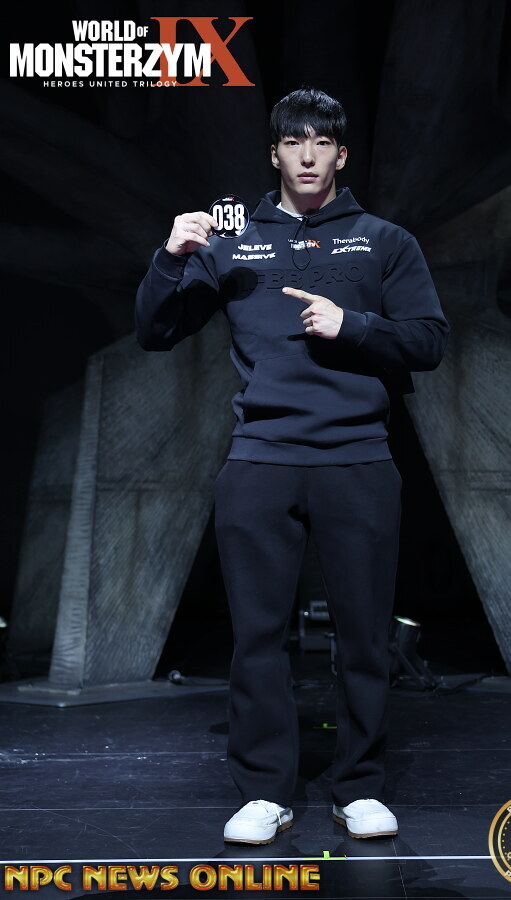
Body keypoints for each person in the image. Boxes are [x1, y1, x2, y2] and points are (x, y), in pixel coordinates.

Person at [135, 87, 449, 845]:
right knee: (257, 635)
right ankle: (264, 791)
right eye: (293, 142)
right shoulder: (234, 241)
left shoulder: (383, 241)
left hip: (357, 458)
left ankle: (358, 785)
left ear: (341, 154)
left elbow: (429, 341)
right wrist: (170, 257)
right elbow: (155, 330)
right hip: (262, 458)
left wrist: (355, 325)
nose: (308, 156)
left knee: (365, 635)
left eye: (322, 142)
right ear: (274, 153)